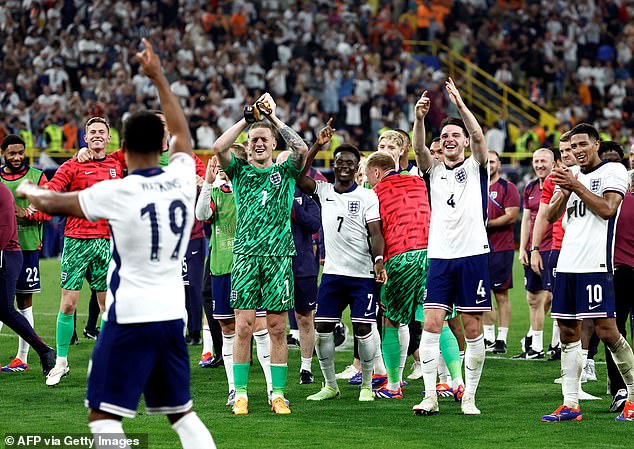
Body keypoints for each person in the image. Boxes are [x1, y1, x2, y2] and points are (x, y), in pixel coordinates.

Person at [16, 38, 216, 447]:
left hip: (129, 317)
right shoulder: (180, 178)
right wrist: (159, 76)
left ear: (120, 149)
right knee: (181, 414)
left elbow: (56, 202)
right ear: (163, 146)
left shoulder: (119, 191)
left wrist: (29, 194)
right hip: (171, 316)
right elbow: (181, 131)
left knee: (103, 415)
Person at [212, 92, 308, 415]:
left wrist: (274, 120)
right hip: (245, 257)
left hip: (279, 256)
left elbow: (302, 149)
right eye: (253, 139)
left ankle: (277, 394)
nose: (257, 143)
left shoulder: (286, 173)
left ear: (272, 143)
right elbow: (218, 148)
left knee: (279, 327)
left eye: (263, 139)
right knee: (243, 327)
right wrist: (248, 119)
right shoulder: (239, 172)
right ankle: (240, 394)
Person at [542, 123, 634, 422]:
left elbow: (608, 210)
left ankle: (632, 395)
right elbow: (552, 216)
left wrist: (575, 185)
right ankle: (570, 404)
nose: (577, 151)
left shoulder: (613, 171)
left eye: (582, 145)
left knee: (608, 331)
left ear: (596, 144)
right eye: (571, 147)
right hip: (567, 264)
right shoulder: (572, 175)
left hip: (597, 264)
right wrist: (565, 189)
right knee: (568, 330)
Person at [411, 79, 491, 416]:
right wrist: (419, 120)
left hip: (473, 254)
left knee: (472, 330)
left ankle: (469, 396)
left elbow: (479, 138)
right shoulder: (434, 171)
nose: (449, 139)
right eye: (444, 136)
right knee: (431, 324)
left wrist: (460, 106)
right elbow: (417, 150)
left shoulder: (476, 167)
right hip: (440, 256)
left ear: (464, 142)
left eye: (455, 135)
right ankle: (430, 395)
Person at [297, 130, 387, 403]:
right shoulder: (323, 191)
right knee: (322, 327)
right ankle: (330, 385)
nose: (344, 166)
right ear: (333, 165)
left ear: (357, 167)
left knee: (363, 328)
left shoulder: (367, 197)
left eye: (350, 162)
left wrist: (379, 260)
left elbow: (376, 233)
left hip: (361, 274)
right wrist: (317, 145)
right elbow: (299, 177)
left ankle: (368, 385)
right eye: (339, 162)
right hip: (333, 274)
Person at [44, 116, 124, 386]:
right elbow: (52, 190)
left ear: (109, 137)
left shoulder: (118, 165)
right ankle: (61, 362)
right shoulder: (72, 165)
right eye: (93, 132)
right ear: (85, 138)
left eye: (102, 131)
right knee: (68, 303)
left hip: (105, 241)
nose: (98, 135)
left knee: (107, 305)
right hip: (77, 240)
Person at [195, 150, 274, 407]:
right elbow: (201, 215)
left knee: (260, 328)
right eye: (218, 167)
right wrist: (208, 183)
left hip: (250, 267)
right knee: (228, 328)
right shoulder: (217, 192)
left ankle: (273, 389)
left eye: (224, 166)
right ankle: (233, 388)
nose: (220, 170)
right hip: (221, 268)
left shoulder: (252, 191)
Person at [0, 134, 51, 372]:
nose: (17, 157)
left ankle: (22, 358)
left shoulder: (37, 177)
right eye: (12, 153)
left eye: (21, 152)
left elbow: (49, 210)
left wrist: (27, 214)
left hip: (26, 247)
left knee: (23, 304)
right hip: (8, 249)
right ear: (3, 154)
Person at [276, 149, 321, 386]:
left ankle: (306, 368)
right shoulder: (267, 191)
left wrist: (293, 207)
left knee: (304, 317)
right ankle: (275, 371)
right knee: (274, 319)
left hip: (302, 264)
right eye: (282, 164)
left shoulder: (305, 192)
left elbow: (314, 224)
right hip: (273, 264)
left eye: (290, 163)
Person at [515, 148, 555, 359]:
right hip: (533, 249)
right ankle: (536, 347)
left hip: (552, 248)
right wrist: (523, 247)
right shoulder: (530, 187)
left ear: (553, 163)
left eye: (544, 161)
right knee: (533, 298)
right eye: (536, 161)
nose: (539, 165)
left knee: (554, 297)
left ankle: (556, 345)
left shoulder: (559, 185)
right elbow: (527, 220)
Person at [483, 150, 520, 354]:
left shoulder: (508, 187)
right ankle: (488, 337)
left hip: (501, 248)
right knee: (483, 293)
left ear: (499, 164)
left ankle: (501, 338)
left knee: (501, 294)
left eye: (493, 161)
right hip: (479, 248)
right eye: (486, 161)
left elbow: (512, 216)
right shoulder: (476, 186)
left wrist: (485, 224)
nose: (489, 164)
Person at [606, 169, 634, 413]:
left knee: (613, 330)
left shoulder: (614, 204)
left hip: (618, 271)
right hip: (621, 270)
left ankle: (620, 389)